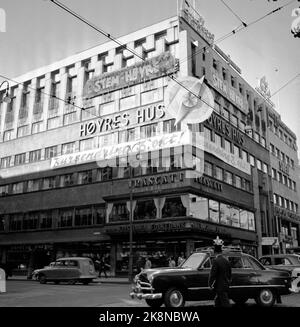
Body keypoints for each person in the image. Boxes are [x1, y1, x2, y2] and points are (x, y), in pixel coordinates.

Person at [208, 236, 232, 308]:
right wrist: (228, 282)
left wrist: (210, 284)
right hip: (225, 285)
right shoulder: (226, 261)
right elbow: (229, 274)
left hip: (219, 286)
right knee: (217, 302)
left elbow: (213, 274)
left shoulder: (216, 261)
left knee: (225, 304)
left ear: (215, 252)